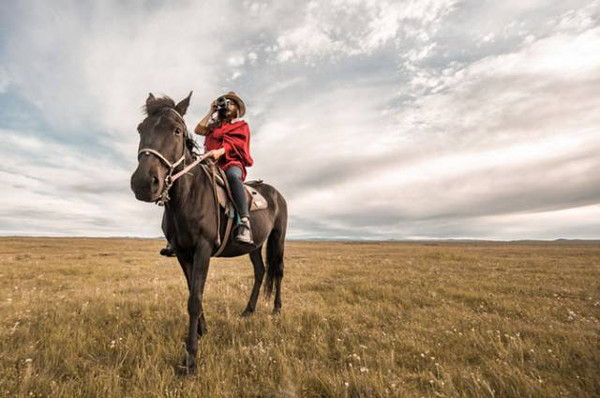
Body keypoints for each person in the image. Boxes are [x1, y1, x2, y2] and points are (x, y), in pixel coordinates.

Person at [196, 91, 254, 245]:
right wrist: (211, 110)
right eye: (226, 102)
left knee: (233, 177)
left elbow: (238, 144)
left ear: (237, 109)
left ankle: (244, 222)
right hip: (210, 163)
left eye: (232, 103)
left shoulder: (242, 126)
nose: (228, 105)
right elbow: (198, 130)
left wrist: (220, 151)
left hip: (231, 163)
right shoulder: (214, 126)